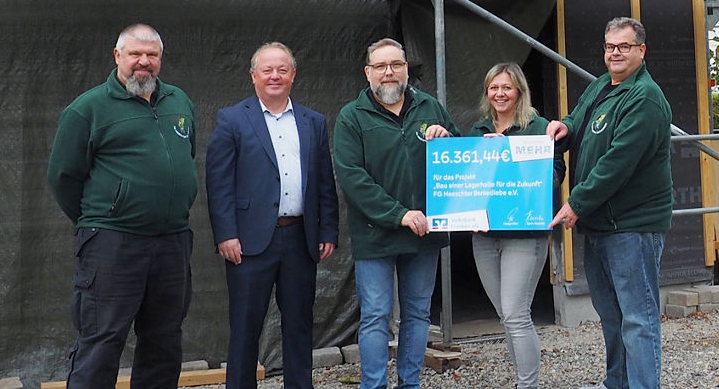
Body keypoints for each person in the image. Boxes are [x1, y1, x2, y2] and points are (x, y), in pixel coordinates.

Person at [46, 24, 197, 389]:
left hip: (171, 243)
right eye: (135, 54)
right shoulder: (88, 108)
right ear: (118, 57)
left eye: (152, 55)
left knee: (164, 342)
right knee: (101, 343)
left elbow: (186, 157)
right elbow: (62, 177)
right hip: (112, 245)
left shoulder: (180, 102)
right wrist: (103, 218)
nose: (143, 62)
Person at [547, 17, 673, 389]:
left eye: (624, 46)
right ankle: (616, 382)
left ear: (641, 51)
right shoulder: (603, 85)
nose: (615, 53)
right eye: (610, 46)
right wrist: (566, 126)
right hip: (603, 225)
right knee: (612, 315)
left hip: (632, 227)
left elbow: (618, 162)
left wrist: (576, 203)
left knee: (638, 317)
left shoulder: (645, 98)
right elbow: (581, 115)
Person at [205, 42, 339, 389]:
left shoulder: (314, 121)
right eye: (267, 70)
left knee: (298, 325)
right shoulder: (232, 119)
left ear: (293, 75)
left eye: (282, 69)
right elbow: (218, 182)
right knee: (246, 327)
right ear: (254, 76)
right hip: (248, 242)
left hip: (300, 238)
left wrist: (328, 231)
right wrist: (225, 234)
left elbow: (325, 180)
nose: (275, 76)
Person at [332, 38, 455, 389]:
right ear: (368, 73)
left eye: (396, 65)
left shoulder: (430, 107)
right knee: (375, 316)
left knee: (417, 314)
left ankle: (409, 384)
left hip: (425, 232)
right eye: (381, 66)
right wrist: (399, 214)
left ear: (406, 70)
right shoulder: (351, 117)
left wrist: (446, 137)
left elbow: (461, 156)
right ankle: (373, 385)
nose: (389, 72)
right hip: (376, 234)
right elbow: (353, 178)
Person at [469, 62, 566, 389]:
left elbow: (555, 176)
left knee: (514, 314)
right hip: (484, 237)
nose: (500, 94)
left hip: (525, 234)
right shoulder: (479, 131)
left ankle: (527, 385)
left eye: (506, 87)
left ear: (520, 92)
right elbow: (467, 184)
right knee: (507, 316)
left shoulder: (539, 128)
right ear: (487, 92)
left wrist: (510, 158)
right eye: (494, 88)